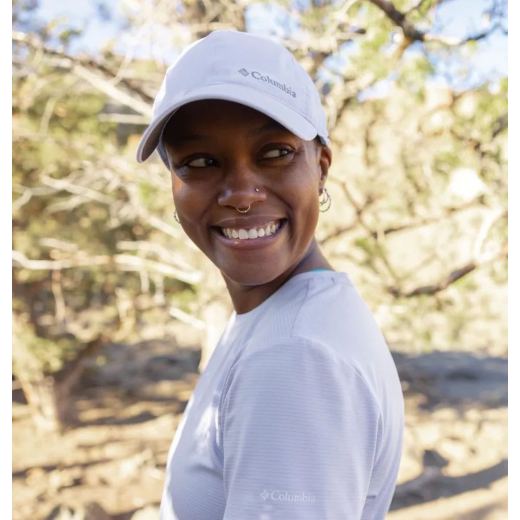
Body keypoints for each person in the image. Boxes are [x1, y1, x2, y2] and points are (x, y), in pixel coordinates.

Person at [137, 30, 404, 520]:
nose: (241, 193)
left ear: (321, 166)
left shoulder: (295, 356)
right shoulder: (281, 317)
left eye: (275, 152)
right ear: (173, 185)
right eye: (200, 162)